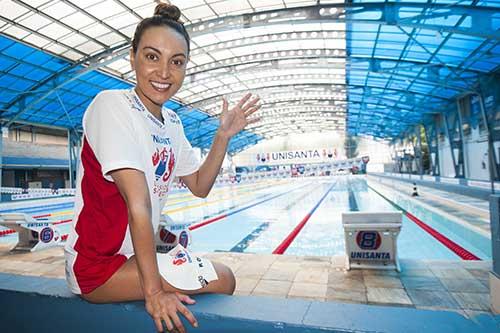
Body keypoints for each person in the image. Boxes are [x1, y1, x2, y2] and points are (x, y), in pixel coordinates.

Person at [63, 4, 261, 333]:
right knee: (224, 278)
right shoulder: (112, 106)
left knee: (223, 277)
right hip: (97, 267)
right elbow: (138, 204)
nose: (164, 73)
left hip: (134, 259)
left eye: (177, 62)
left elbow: (199, 184)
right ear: (133, 57)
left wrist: (222, 136)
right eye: (152, 57)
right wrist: (154, 293)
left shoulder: (172, 122)